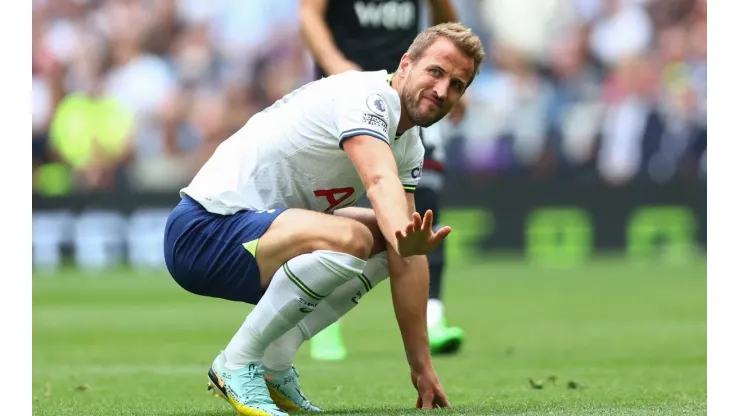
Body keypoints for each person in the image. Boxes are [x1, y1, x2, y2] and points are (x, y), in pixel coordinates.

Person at [163, 22, 484, 416]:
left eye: (457, 85)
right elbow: (379, 180)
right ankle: (236, 363)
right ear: (405, 65)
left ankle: (274, 365)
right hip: (202, 232)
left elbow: (407, 255)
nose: (442, 90)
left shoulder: (409, 144)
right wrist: (403, 236)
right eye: (436, 71)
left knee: (384, 239)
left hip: (258, 232)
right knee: (354, 237)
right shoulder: (366, 97)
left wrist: (422, 368)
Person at [300, 0, 466, 362]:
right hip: (345, 94)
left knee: (424, 201)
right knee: (330, 207)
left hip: (408, 94)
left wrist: (451, 75)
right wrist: (336, 66)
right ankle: (319, 321)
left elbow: (445, 14)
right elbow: (309, 14)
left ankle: (432, 316)